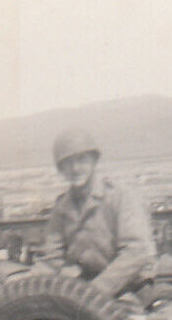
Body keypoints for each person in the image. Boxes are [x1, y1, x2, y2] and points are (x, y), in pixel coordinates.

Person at [41, 128, 156, 302]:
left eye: (82, 160)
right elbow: (51, 258)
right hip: (84, 290)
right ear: (61, 168)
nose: (75, 168)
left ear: (94, 161)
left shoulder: (120, 196)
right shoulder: (62, 206)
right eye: (68, 162)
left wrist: (95, 291)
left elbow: (135, 252)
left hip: (128, 287)